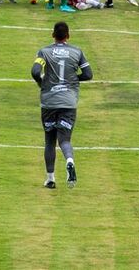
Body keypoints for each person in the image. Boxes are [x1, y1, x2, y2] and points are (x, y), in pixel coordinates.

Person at [31, 21, 92, 189]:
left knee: (50, 140)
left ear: (53, 35)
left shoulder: (44, 52)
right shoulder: (76, 52)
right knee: (64, 139)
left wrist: (41, 82)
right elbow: (88, 74)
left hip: (49, 101)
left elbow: (35, 71)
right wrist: (71, 79)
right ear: (68, 36)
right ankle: (70, 160)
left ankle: (50, 179)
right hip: (68, 101)